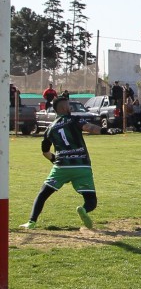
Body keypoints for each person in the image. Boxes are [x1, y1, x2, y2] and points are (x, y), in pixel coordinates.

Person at [19, 96, 120, 230]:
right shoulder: (74, 120)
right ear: (63, 108)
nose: (70, 108)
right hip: (81, 166)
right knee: (91, 201)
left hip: (61, 167)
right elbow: (89, 127)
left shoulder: (50, 128)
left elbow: (45, 151)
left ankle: (31, 222)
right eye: (68, 105)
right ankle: (83, 209)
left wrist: (54, 160)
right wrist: (105, 130)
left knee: (43, 194)